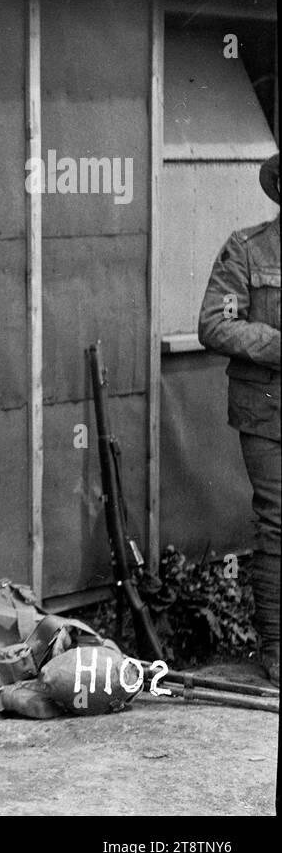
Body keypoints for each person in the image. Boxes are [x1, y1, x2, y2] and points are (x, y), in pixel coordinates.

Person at [199, 152, 280, 684]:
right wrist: (277, 344)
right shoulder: (246, 249)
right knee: (279, 522)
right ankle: (275, 647)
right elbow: (213, 324)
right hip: (267, 411)